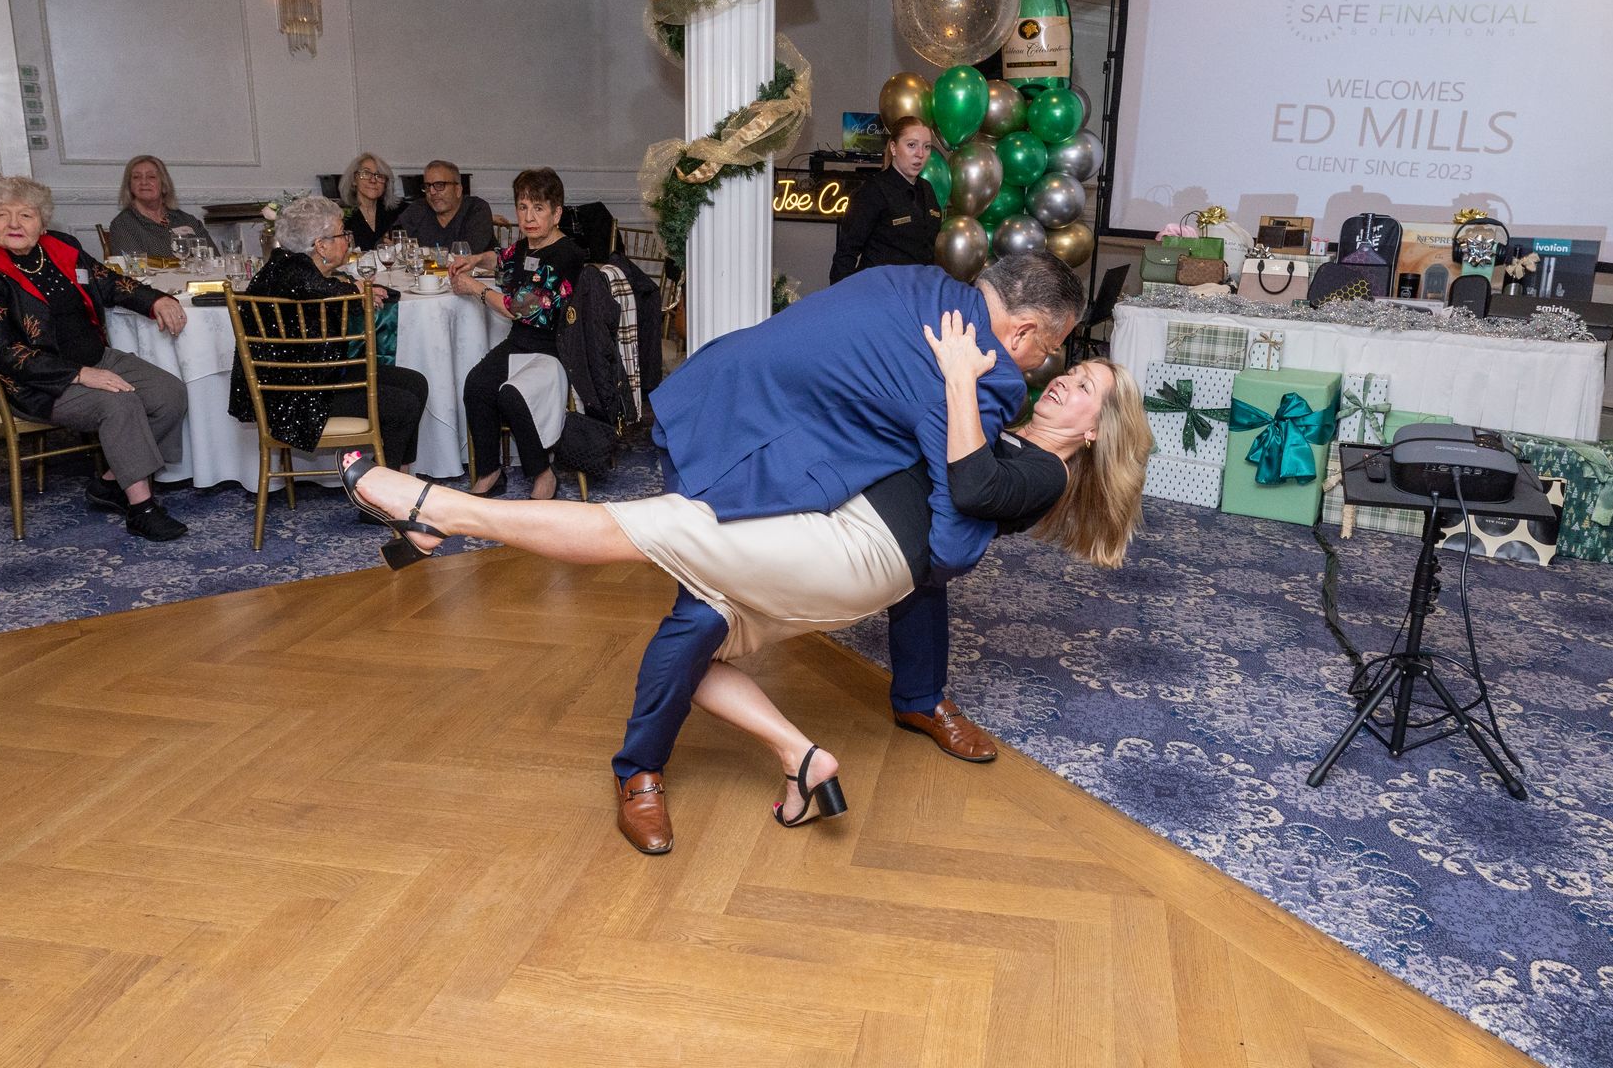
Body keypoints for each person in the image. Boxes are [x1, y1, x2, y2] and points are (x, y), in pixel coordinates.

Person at [338, 315, 1149, 840]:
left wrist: (960, 378)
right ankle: (803, 762)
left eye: (1089, 389)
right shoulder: (1011, 433)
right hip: (839, 546)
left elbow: (969, 486)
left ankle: (437, 509)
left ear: (1096, 429)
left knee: (649, 525)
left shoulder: (1043, 473)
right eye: (1077, 372)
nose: (1070, 380)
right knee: (702, 647)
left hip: (857, 556)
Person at [0, 175, 193, 541]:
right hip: (27, 379)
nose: (14, 224)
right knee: (121, 404)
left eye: (26, 215)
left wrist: (155, 299)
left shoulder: (61, 247)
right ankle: (141, 508)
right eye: (3, 215)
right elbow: (3, 352)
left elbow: (108, 282)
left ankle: (112, 481)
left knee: (169, 393)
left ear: (42, 222)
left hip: (94, 356)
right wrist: (78, 374)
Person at [227, 196, 429, 475]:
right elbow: (312, 287)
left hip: (316, 380)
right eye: (341, 233)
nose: (348, 239)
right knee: (401, 404)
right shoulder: (291, 273)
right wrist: (356, 290)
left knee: (414, 383)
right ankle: (384, 496)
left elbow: (321, 285)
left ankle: (400, 475)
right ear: (320, 245)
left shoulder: (289, 265)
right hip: (296, 397)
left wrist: (353, 286)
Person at [451, 167, 586, 501]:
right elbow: (504, 260)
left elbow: (521, 308)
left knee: (513, 395)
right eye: (523, 207)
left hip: (554, 349)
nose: (529, 216)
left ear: (557, 213)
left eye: (538, 208)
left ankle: (543, 474)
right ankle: (490, 472)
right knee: (477, 384)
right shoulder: (527, 247)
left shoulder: (567, 254)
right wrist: (477, 260)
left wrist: (474, 289)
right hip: (519, 344)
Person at [829, 117, 943, 284]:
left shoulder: (927, 190)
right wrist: (842, 301)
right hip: (879, 294)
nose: (920, 154)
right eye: (911, 145)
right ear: (894, 148)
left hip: (917, 294)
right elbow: (846, 254)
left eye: (926, 147)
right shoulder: (872, 191)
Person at [106, 156, 216, 259]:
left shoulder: (187, 220)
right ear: (130, 186)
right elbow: (134, 270)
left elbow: (215, 259)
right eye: (136, 177)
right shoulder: (123, 225)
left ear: (164, 184)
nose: (144, 182)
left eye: (151, 177)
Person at [393, 160, 494, 252]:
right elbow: (388, 240)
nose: (432, 192)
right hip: (424, 272)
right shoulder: (418, 209)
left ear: (458, 190)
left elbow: (469, 252)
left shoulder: (476, 209)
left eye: (440, 185)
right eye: (427, 186)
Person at [340, 153, 404, 251]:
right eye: (366, 173)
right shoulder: (341, 214)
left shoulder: (398, 212)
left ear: (386, 184)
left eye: (379, 176)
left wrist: (398, 249)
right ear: (353, 180)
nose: (373, 180)